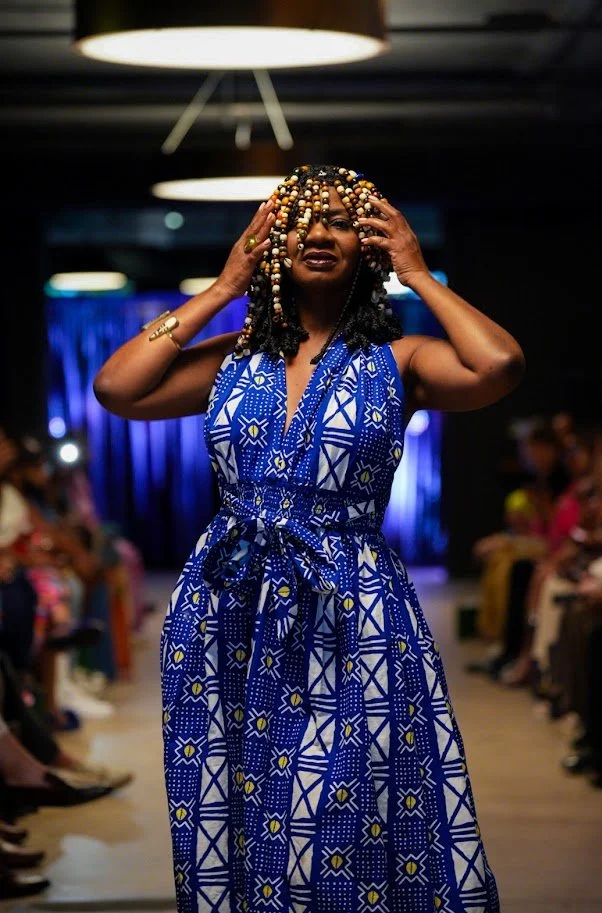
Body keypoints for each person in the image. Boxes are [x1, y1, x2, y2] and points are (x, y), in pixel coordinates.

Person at [94, 165, 525, 913]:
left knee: (344, 801)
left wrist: (418, 273)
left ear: (369, 245)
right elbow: (117, 388)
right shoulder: (234, 353)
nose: (318, 233)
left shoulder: (402, 361)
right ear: (270, 241)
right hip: (228, 606)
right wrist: (224, 288)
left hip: (352, 605)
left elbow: (500, 364)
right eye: (299, 219)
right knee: (232, 797)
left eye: (339, 220)